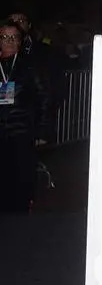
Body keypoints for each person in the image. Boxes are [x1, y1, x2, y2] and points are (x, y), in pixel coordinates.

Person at [0, 20, 51, 212]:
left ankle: (21, 215)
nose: (10, 41)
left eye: (14, 37)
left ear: (20, 41)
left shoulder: (30, 67)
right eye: (5, 37)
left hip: (22, 129)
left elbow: (44, 97)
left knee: (22, 177)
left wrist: (42, 130)